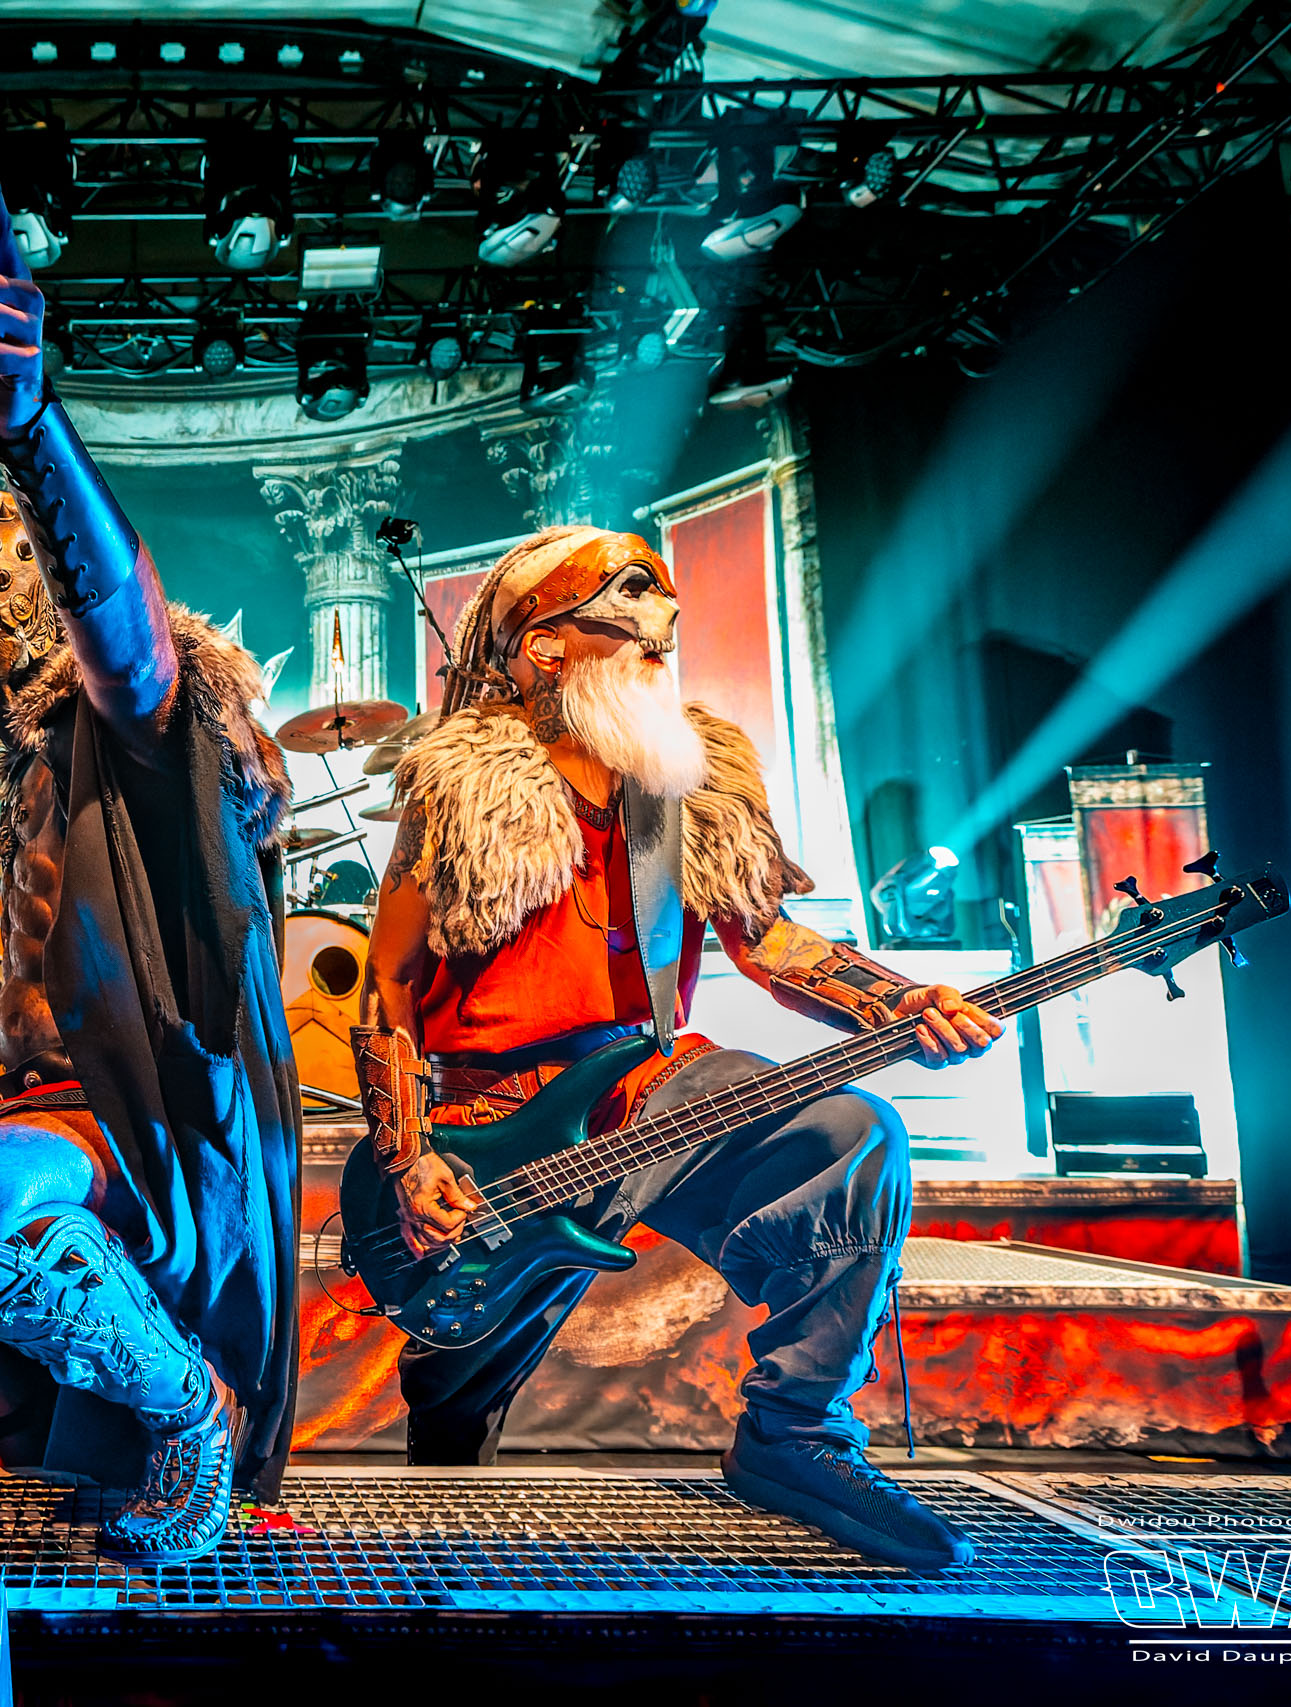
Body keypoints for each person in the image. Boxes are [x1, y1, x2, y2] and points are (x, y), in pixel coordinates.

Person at [353, 525, 1001, 1572]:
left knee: (850, 1131)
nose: (661, 634)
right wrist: (407, 1156)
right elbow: (388, 978)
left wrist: (898, 1001)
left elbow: (769, 939)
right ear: (544, 647)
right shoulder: (461, 784)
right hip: (494, 1125)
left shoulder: (695, 779)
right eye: (628, 617)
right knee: (456, 1394)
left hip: (654, 1083)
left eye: (664, 621)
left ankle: (795, 1430)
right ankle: (443, 1545)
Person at [0, 160, 301, 1564]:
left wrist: (32, 435)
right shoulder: (25, 766)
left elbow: (133, 640)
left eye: (1, 575)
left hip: (152, 1135)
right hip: (52, 1111)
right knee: (7, 1473)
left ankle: (187, 1406)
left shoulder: (142, 720)